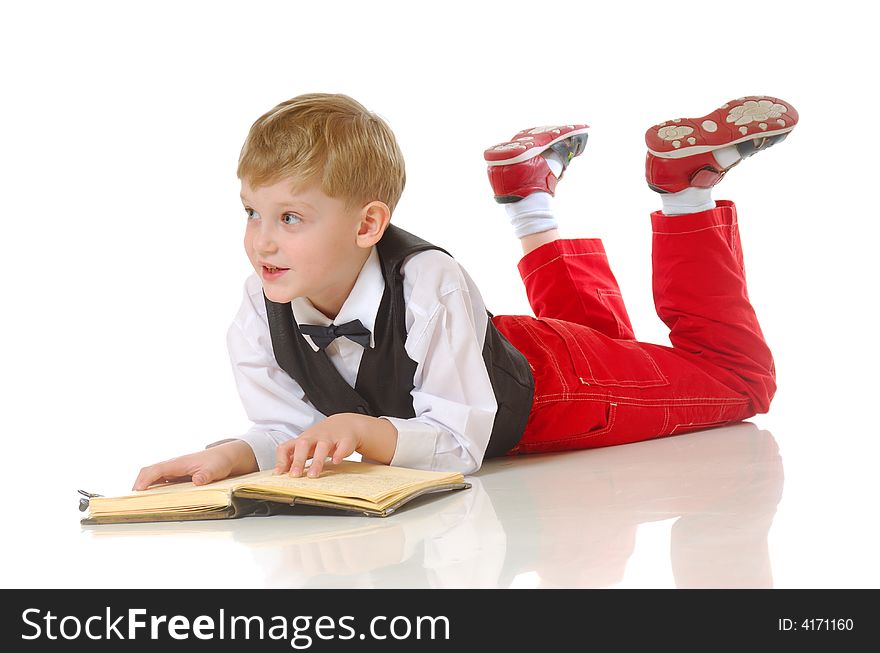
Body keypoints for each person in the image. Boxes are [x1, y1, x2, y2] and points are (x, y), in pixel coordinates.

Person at [132, 93, 797, 490]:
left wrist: (366, 431)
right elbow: (288, 428)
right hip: (496, 354)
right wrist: (232, 452)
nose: (262, 241)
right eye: (251, 212)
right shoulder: (260, 305)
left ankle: (686, 190)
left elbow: (459, 443)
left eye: (290, 218)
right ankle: (528, 196)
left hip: (553, 390)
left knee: (737, 379)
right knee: (611, 348)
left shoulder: (428, 281)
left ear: (369, 223)